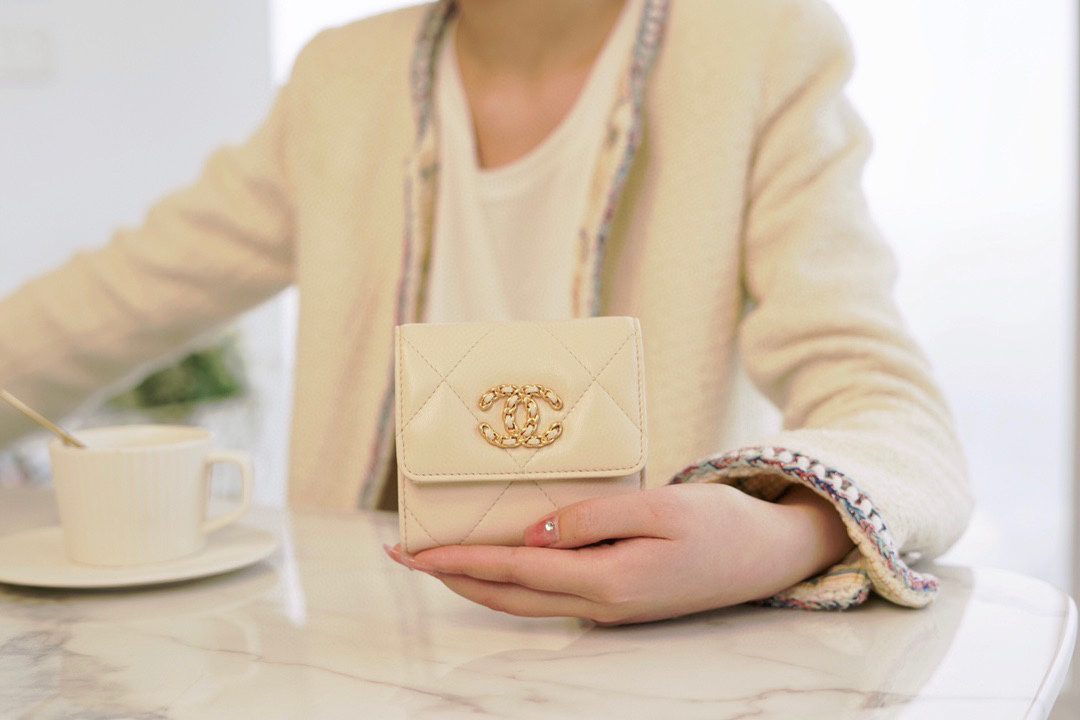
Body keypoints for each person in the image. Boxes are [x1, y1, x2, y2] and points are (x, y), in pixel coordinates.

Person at [0, 0, 972, 624]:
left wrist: (781, 537)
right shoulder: (341, 79)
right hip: (364, 651)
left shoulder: (758, 45)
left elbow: (891, 412)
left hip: (658, 667)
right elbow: (105, 304)